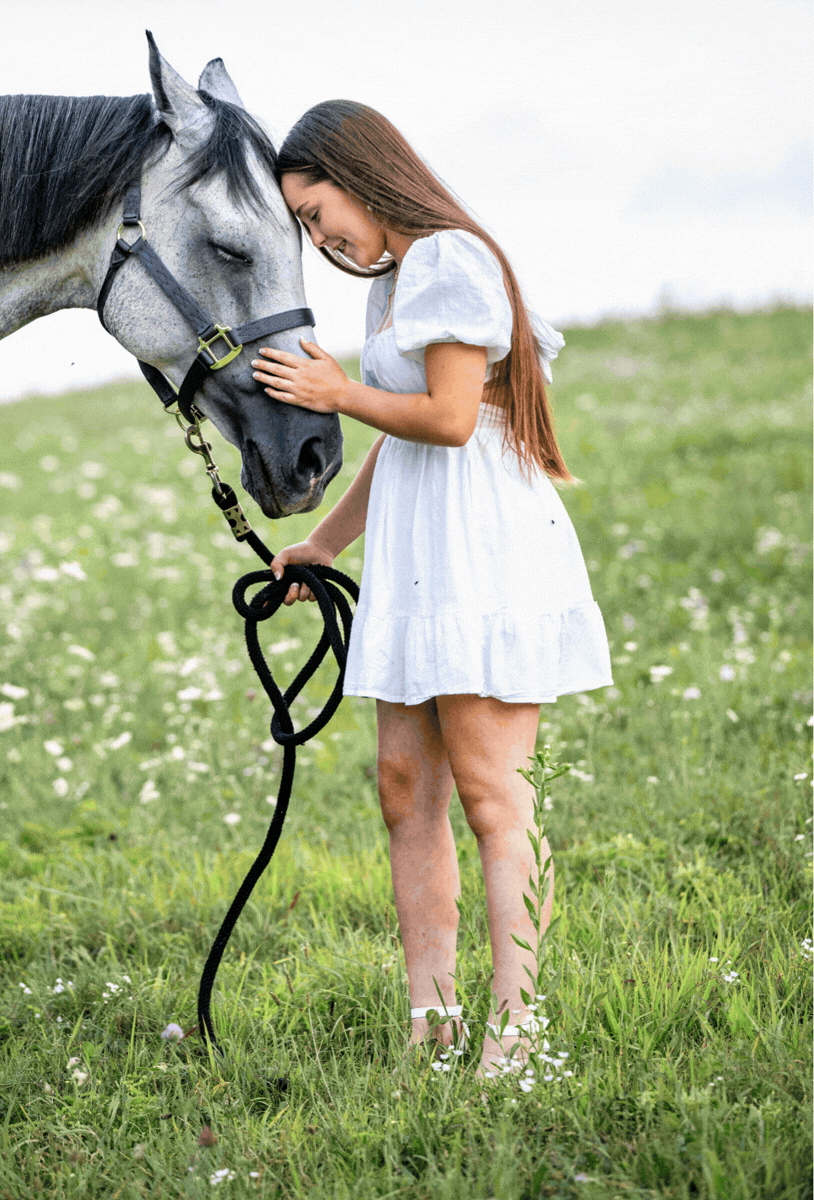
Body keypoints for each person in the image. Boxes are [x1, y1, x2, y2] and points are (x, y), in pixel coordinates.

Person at [251, 101, 612, 1080]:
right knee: (405, 791)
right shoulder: (397, 284)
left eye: (321, 212)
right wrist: (321, 545)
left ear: (363, 174)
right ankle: (431, 1020)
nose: (322, 239)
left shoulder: (452, 258)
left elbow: (450, 419)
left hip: (479, 542)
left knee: (493, 794)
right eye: (307, 227)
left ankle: (515, 1031)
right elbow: (399, 438)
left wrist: (333, 393)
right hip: (420, 540)